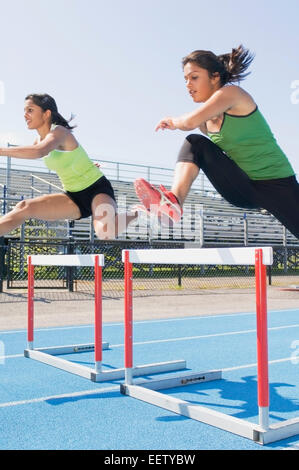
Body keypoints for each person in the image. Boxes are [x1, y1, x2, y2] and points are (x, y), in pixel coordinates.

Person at [134, 45, 299, 238]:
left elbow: (189, 121)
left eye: (194, 77)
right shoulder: (205, 123)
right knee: (195, 144)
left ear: (215, 77)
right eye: (185, 79)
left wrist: (173, 121)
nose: (188, 85)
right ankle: (173, 203)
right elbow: (195, 126)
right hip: (242, 187)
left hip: (278, 186)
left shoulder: (233, 94)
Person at [0, 93, 137, 239]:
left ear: (46, 114)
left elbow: (40, 151)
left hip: (97, 189)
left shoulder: (59, 132)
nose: (25, 115)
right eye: (24, 111)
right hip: (73, 197)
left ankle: (137, 213)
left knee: (105, 232)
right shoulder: (38, 140)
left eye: (30, 110)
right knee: (24, 207)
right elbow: (36, 151)